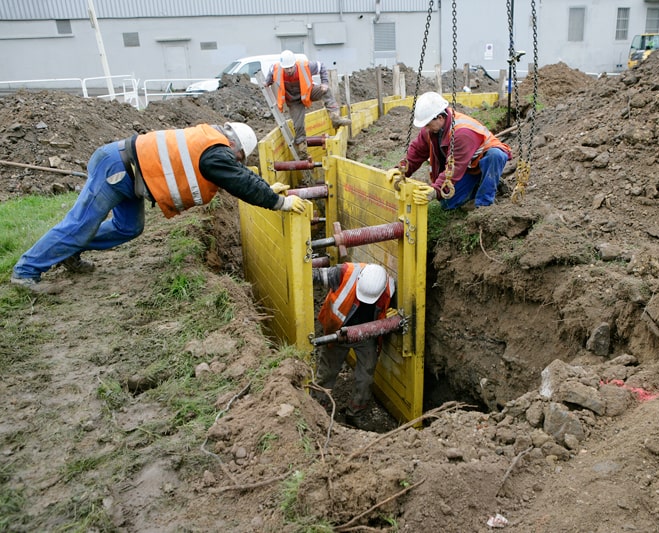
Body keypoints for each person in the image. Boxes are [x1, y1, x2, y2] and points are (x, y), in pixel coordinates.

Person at [10, 122, 304, 290]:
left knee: (129, 227)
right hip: (117, 170)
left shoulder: (211, 146)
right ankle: (26, 270)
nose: (238, 162)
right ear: (236, 147)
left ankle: (69, 252)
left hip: (131, 176)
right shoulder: (214, 152)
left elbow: (235, 177)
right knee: (79, 226)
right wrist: (279, 202)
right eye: (240, 158)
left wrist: (265, 188)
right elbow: (237, 180)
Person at [311, 263, 396, 430]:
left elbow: (391, 309)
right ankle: (318, 411)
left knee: (366, 377)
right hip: (337, 332)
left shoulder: (389, 288)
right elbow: (310, 275)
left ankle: (355, 414)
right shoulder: (342, 273)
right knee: (327, 372)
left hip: (365, 335)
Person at [398, 91, 512, 210]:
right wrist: (400, 170)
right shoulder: (431, 129)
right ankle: (480, 184)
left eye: (427, 124)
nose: (425, 128)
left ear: (440, 118)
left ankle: (484, 204)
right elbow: (417, 152)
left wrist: (435, 190)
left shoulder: (462, 133)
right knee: (447, 204)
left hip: (484, 159)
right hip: (468, 166)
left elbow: (455, 166)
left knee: (495, 155)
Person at [264, 49, 351, 159]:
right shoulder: (276, 68)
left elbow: (321, 66)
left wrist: (324, 83)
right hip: (294, 100)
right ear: (282, 67)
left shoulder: (305, 65)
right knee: (298, 125)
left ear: (294, 64)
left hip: (308, 92)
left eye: (291, 67)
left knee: (326, 91)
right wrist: (267, 82)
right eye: (286, 68)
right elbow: (270, 75)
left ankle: (335, 117)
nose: (289, 70)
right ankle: (303, 152)